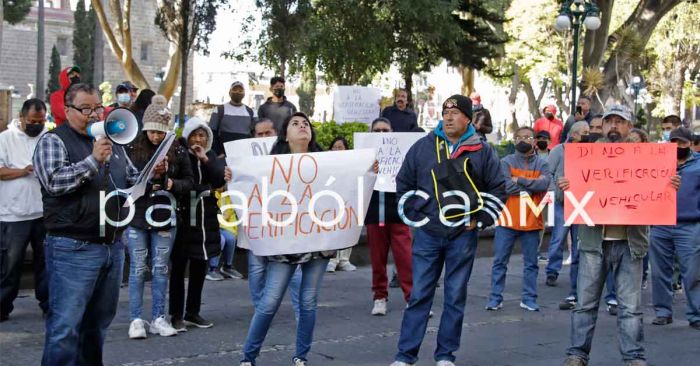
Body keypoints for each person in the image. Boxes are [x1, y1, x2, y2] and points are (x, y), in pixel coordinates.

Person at [391, 95, 506, 366]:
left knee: (455, 295)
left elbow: (498, 188)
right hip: (428, 234)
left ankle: (445, 356)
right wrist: (417, 216)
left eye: (455, 112)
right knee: (419, 294)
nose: (449, 117)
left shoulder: (482, 150)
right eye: (445, 112)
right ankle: (405, 356)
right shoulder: (423, 147)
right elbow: (403, 183)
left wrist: (480, 219)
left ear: (467, 118)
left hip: (463, 235)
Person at [563, 104, 682, 366]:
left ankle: (634, 357)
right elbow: (565, 198)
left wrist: (670, 184)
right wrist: (566, 186)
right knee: (585, 303)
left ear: (629, 127)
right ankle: (577, 354)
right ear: (603, 126)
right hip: (594, 243)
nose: (614, 126)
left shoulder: (647, 160)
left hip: (631, 244)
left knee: (630, 307)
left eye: (620, 121)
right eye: (609, 121)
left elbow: (660, 197)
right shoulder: (586, 157)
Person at [34, 83, 141, 365]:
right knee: (65, 329)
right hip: (73, 248)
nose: (94, 114)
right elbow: (55, 182)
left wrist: (153, 173)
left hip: (112, 246)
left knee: (97, 326)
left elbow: (130, 178)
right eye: (86, 109)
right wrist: (94, 159)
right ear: (67, 111)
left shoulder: (113, 142)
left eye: (98, 108)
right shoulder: (53, 141)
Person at [240, 112, 334, 366]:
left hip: (318, 241)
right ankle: (248, 357)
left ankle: (301, 357)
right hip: (284, 242)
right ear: (285, 135)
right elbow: (251, 189)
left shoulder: (329, 162)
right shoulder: (270, 165)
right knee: (269, 301)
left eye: (306, 123)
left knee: (308, 301)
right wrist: (232, 178)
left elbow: (349, 185)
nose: (302, 126)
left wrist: (369, 170)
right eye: (295, 123)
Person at [125, 95, 194, 339]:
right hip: (136, 217)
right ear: (145, 130)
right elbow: (123, 180)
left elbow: (190, 182)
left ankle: (158, 318)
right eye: (152, 132)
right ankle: (135, 319)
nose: (155, 137)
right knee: (136, 269)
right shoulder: (131, 148)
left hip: (166, 216)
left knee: (161, 268)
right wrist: (146, 178)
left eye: (160, 132)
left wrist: (170, 181)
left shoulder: (178, 150)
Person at [169, 117, 230, 331]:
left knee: (200, 264)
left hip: (207, 216)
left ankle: (192, 311)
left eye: (202, 135)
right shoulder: (180, 155)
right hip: (186, 214)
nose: (198, 139)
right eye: (194, 134)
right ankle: (175, 314)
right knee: (178, 266)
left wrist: (205, 159)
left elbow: (219, 180)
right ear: (187, 137)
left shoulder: (211, 156)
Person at [486, 126, 550, 312]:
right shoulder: (505, 161)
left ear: (534, 141)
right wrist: (532, 186)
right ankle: (495, 298)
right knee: (499, 262)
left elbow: (545, 184)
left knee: (531, 264)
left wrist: (519, 180)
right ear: (514, 140)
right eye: (519, 137)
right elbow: (505, 186)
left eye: (527, 137)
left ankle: (529, 298)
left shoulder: (542, 164)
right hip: (507, 220)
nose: (523, 140)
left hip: (532, 221)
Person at [0, 99, 49, 322]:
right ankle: (2, 305)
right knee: (10, 264)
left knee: (46, 263)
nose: (36, 125)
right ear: (22, 118)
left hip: (42, 212)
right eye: (32, 121)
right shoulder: (5, 138)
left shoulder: (47, 138)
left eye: (40, 121)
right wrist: (23, 171)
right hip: (13, 213)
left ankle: (48, 304)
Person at [649, 127, 700, 330]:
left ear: (690, 144)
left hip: (689, 225)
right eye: (674, 142)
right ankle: (663, 312)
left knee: (692, 272)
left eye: (682, 143)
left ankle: (696, 314)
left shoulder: (698, 165)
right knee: (660, 271)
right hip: (660, 223)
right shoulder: (657, 165)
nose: (678, 147)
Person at [362, 119, 413, 315]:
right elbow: (357, 181)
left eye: (385, 130)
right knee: (377, 257)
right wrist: (369, 172)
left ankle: (411, 297)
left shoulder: (401, 152)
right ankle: (380, 297)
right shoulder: (364, 155)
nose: (381, 133)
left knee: (405, 256)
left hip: (398, 208)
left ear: (392, 132)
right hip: (376, 210)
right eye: (377, 130)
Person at [545, 121, 589, 308]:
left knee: (579, 242)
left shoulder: (590, 153)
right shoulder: (558, 151)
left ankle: (577, 278)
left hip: (582, 204)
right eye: (584, 132)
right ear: (573, 134)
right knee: (558, 237)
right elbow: (548, 173)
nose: (587, 135)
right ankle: (552, 270)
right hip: (562, 203)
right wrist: (556, 192)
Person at [325, 136, 359, 273]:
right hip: (330, 200)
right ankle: (331, 260)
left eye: (340, 147)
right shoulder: (326, 163)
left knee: (346, 228)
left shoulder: (352, 164)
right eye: (335, 147)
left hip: (347, 200)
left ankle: (344, 260)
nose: (337, 149)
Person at [209, 81, 256, 156]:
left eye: (240, 90)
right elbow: (211, 134)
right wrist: (218, 153)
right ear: (230, 92)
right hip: (223, 155)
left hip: (244, 155)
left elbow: (255, 135)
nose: (237, 92)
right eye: (235, 90)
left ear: (244, 94)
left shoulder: (251, 112)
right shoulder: (219, 110)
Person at [206, 191, 244, 281]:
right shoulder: (212, 194)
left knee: (230, 238)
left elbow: (229, 213)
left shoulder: (229, 196)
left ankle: (228, 266)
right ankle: (212, 269)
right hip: (212, 226)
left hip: (225, 226)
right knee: (221, 239)